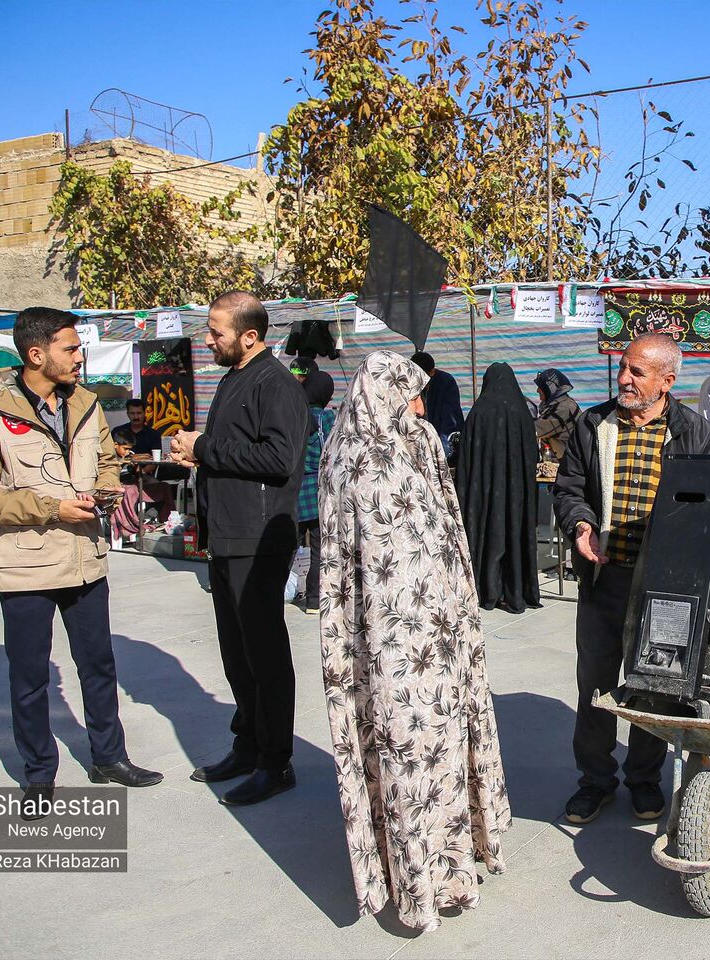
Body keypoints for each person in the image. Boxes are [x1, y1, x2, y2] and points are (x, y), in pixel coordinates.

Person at [317, 351, 511, 931]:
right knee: (407, 752)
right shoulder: (354, 459)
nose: (422, 406)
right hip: (390, 646)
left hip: (432, 637)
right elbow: (353, 563)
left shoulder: (410, 443)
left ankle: (451, 859)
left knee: (439, 747)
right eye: (412, 394)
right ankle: (415, 879)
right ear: (383, 395)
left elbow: (444, 528)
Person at [0, 307, 162, 811]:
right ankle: (39, 775)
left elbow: (108, 461)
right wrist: (52, 508)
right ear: (36, 354)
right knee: (29, 678)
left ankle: (109, 758)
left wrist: (106, 489)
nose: (79, 357)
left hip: (85, 557)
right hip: (26, 566)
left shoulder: (86, 404)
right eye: (70, 349)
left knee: (98, 665)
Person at [553, 333, 710, 825]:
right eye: (623, 367)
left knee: (656, 685)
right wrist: (581, 525)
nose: (624, 378)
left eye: (637, 371)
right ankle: (594, 781)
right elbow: (568, 488)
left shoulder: (696, 433)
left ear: (666, 381)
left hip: (667, 589)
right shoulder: (592, 424)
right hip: (605, 580)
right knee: (595, 683)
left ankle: (644, 778)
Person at [169, 291, 310, 806]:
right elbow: (238, 451)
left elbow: (279, 459)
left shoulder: (277, 385)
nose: (208, 340)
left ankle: (276, 761)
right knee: (236, 653)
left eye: (217, 332)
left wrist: (204, 447)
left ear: (250, 336)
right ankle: (248, 744)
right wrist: (200, 454)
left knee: (263, 655)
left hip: (258, 538)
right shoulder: (235, 377)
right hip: (227, 535)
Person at [455, 362, 541, 613]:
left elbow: (465, 458)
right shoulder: (521, 413)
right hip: (516, 493)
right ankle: (515, 591)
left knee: (487, 534)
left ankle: (486, 590)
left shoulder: (478, 412)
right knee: (514, 533)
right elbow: (532, 456)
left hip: (483, 492)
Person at [295, 369, 335, 614]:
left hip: (293, 491)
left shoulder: (293, 414)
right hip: (319, 490)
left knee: (288, 547)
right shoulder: (326, 418)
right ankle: (313, 601)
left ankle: (273, 593)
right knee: (320, 549)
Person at [109, 397, 178, 540]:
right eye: (132, 413)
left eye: (139, 413)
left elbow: (154, 460)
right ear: (128, 414)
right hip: (121, 477)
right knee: (128, 491)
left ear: (144, 413)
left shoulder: (153, 434)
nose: (136, 416)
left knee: (164, 488)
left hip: (144, 474)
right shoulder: (118, 432)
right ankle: (131, 525)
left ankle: (167, 523)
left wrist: (142, 471)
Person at [410, 351, 464, 457]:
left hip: (441, 438)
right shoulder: (410, 382)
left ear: (432, 372)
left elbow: (449, 419)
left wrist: (442, 450)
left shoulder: (445, 382)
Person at [533, 367, 580, 459]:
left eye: (540, 387)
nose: (537, 390)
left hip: (571, 462)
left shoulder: (563, 408)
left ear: (550, 389)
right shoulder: (556, 405)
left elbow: (536, 429)